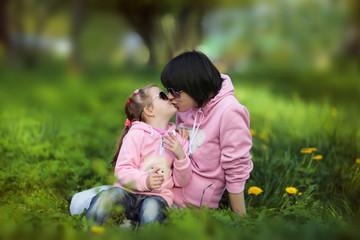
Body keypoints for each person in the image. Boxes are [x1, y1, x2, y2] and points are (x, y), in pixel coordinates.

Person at [160, 50, 253, 217]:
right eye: (168, 90)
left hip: (193, 205)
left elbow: (236, 167)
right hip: (166, 189)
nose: (170, 97)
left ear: (194, 85)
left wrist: (242, 219)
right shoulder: (187, 106)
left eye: (175, 91)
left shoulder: (229, 111)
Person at [84, 85, 191, 226]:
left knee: (152, 211)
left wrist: (180, 156)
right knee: (106, 198)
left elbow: (181, 182)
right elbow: (122, 170)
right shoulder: (136, 134)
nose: (170, 97)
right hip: (126, 193)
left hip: (157, 196)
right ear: (149, 110)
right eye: (163, 96)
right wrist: (145, 181)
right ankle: (88, 231)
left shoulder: (179, 139)